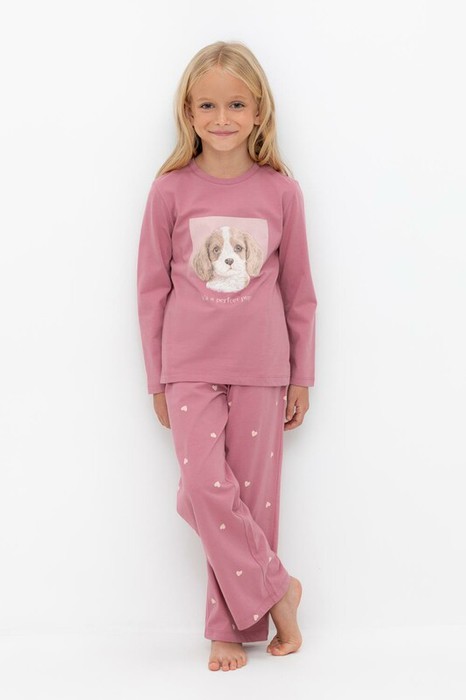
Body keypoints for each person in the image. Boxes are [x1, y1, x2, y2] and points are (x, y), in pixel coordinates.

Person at [136, 40, 317, 672]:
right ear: (188, 111)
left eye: (236, 104)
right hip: (188, 366)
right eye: (208, 105)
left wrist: (302, 375)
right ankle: (278, 589)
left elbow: (299, 292)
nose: (222, 118)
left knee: (253, 498)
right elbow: (150, 292)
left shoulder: (282, 193)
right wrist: (157, 379)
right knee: (202, 491)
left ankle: (229, 629)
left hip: (264, 368)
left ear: (259, 110)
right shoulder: (169, 192)